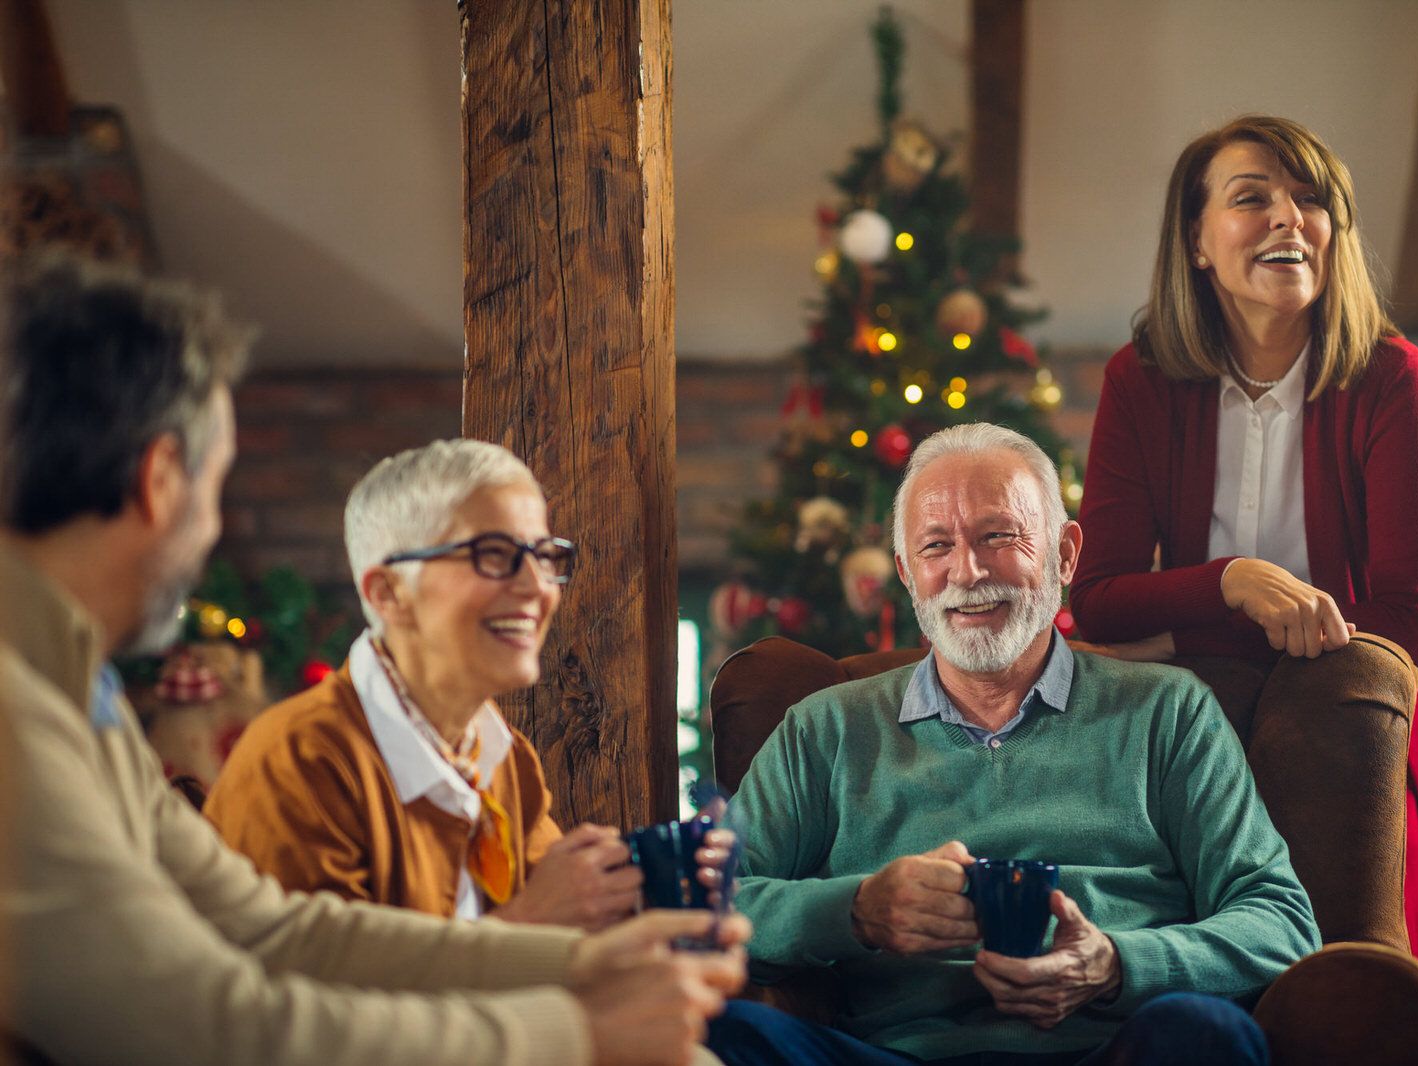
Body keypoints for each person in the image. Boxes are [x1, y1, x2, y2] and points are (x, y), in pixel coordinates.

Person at [0, 252, 746, 1066]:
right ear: (160, 481)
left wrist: (584, 960)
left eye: (545, 556)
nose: (537, 589)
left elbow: (272, 929)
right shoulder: (23, 712)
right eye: (218, 487)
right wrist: (579, 1033)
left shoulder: (72, 689)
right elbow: (205, 1025)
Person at [708, 423, 1319, 1065]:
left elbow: (1281, 921)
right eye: (936, 546)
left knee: (1205, 1034)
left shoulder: (1169, 711)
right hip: (899, 1056)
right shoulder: (824, 728)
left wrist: (1115, 965)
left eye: (998, 536)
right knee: (724, 1033)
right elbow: (712, 903)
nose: (966, 572)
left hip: (1115, 1050)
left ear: (1064, 553)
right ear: (906, 573)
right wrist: (857, 911)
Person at [1068, 115, 1418, 975]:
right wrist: (1234, 582)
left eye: (1311, 199)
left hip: (1349, 715)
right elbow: (1096, 595)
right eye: (1254, 198)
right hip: (1191, 715)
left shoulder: (1394, 377)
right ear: (1198, 243)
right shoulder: (1140, 380)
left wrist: (1177, 632)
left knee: (1352, 985)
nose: (1291, 217)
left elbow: (1410, 618)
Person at [204, 440, 677, 931]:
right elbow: (318, 1001)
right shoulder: (299, 760)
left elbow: (573, 930)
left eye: (543, 555)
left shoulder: (502, 755)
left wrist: (660, 899)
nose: (537, 587)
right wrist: (530, 919)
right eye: (492, 555)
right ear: (388, 594)